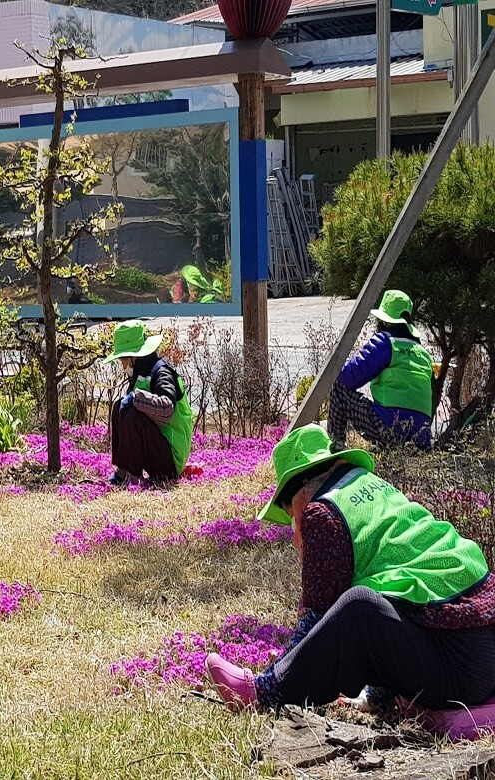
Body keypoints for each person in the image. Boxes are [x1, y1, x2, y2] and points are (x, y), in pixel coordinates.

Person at [206, 424, 495, 738]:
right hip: (479, 654)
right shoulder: (371, 487)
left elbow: (318, 618)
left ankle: (262, 693)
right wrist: (375, 697)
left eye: (289, 512)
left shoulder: (322, 512)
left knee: (359, 606)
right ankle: (385, 700)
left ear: (300, 494)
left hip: (457, 670)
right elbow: (400, 607)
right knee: (374, 607)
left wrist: (281, 673)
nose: (293, 526)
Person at [328, 289, 433, 450]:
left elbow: (347, 377)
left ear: (384, 320)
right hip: (422, 434)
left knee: (338, 384)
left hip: (388, 426)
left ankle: (336, 445)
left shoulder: (385, 342)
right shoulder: (423, 352)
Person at [103, 320, 193, 486]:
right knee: (119, 407)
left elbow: (166, 409)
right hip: (156, 452)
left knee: (131, 413)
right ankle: (123, 471)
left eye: (123, 359)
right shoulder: (140, 374)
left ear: (133, 356)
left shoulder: (162, 373)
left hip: (170, 458)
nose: (122, 365)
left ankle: (132, 475)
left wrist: (136, 398)